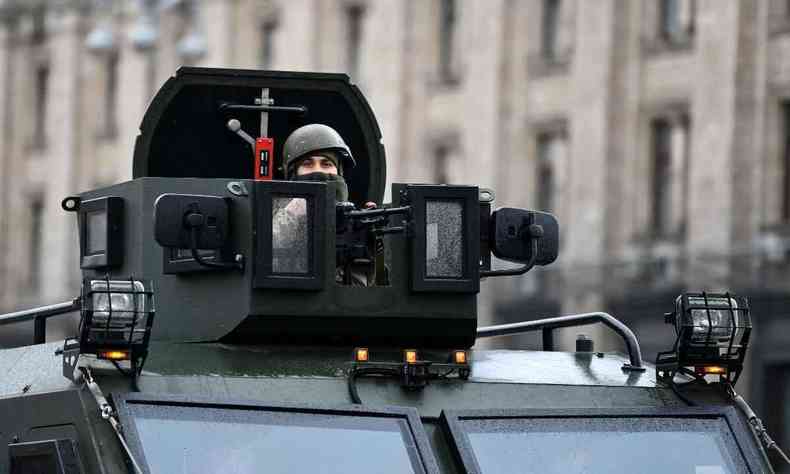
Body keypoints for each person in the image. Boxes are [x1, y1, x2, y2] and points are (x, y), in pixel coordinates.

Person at [273, 124, 380, 286]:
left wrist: (373, 243)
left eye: (327, 164)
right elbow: (263, 257)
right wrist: (290, 217)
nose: (319, 171)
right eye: (308, 164)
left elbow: (365, 291)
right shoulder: (271, 216)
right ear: (293, 173)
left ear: (339, 172)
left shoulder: (354, 222)